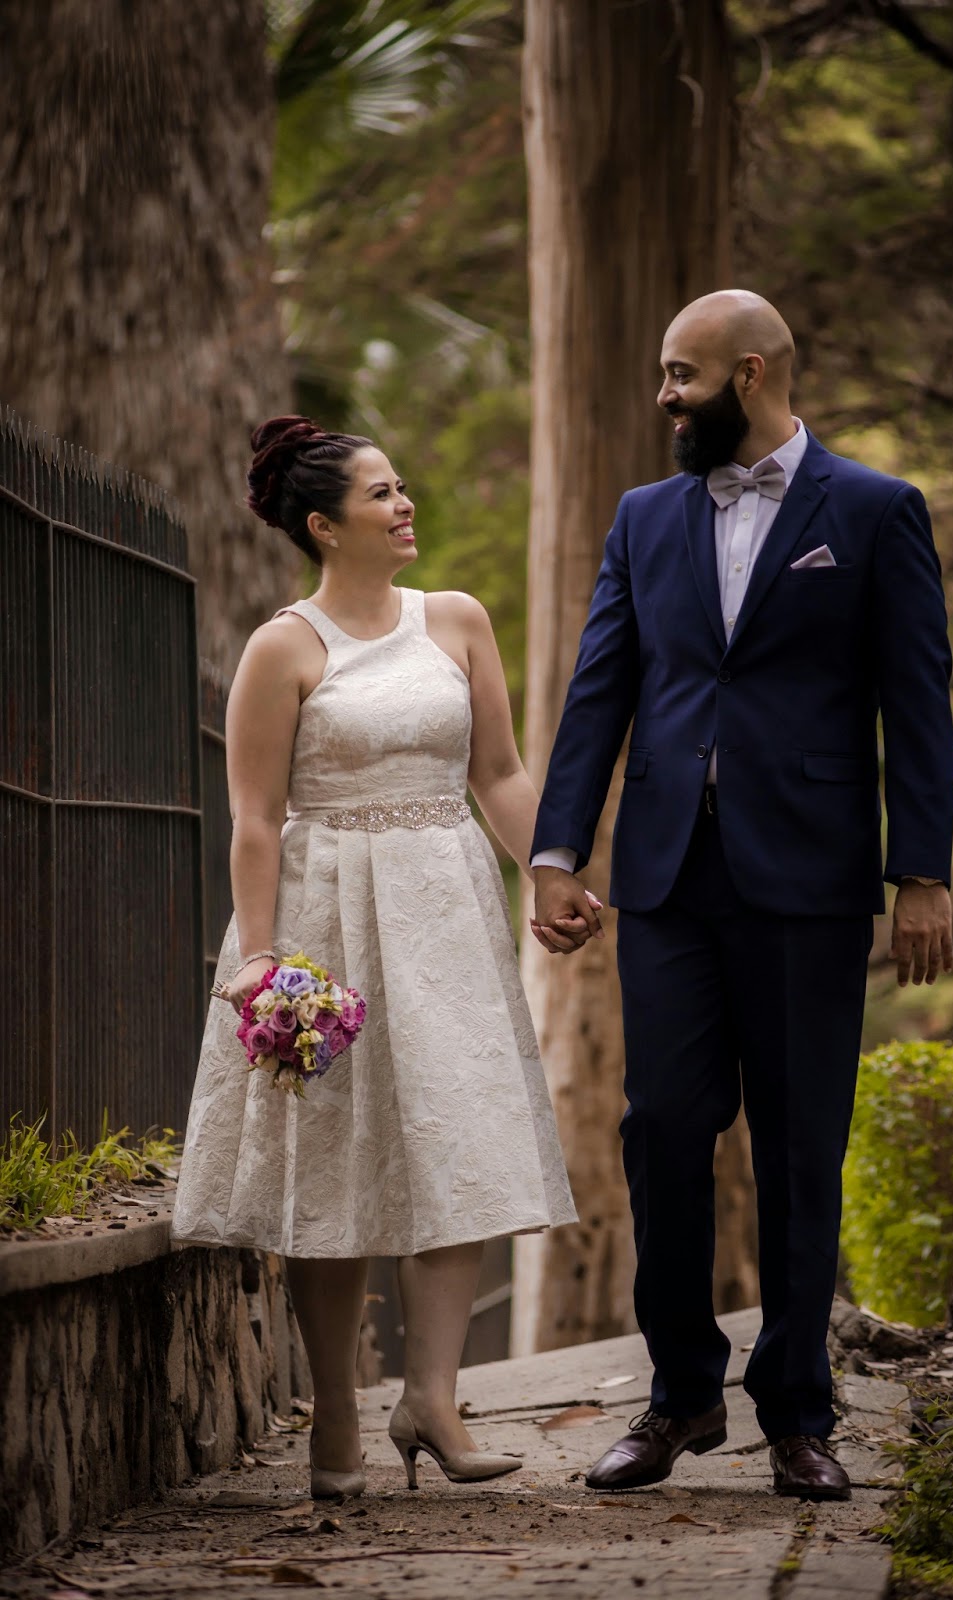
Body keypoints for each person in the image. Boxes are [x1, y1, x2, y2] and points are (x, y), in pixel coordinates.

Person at [529, 291, 953, 1500]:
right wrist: (560, 851)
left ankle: (796, 1410)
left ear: (748, 372)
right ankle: (676, 1398)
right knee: (662, 1127)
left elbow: (916, 704)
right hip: (664, 875)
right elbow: (598, 691)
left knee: (799, 1145)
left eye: (680, 376)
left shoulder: (874, 512)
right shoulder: (644, 515)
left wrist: (917, 870)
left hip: (810, 877)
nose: (663, 397)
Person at [171, 416, 582, 1498]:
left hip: (443, 904)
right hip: (325, 916)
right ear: (322, 524)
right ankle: (338, 1416)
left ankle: (434, 1398)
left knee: (459, 1143)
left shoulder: (455, 622)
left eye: (401, 488)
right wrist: (259, 962)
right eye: (379, 494)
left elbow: (495, 771)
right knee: (334, 1165)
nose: (404, 506)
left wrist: (546, 869)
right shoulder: (284, 645)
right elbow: (256, 817)